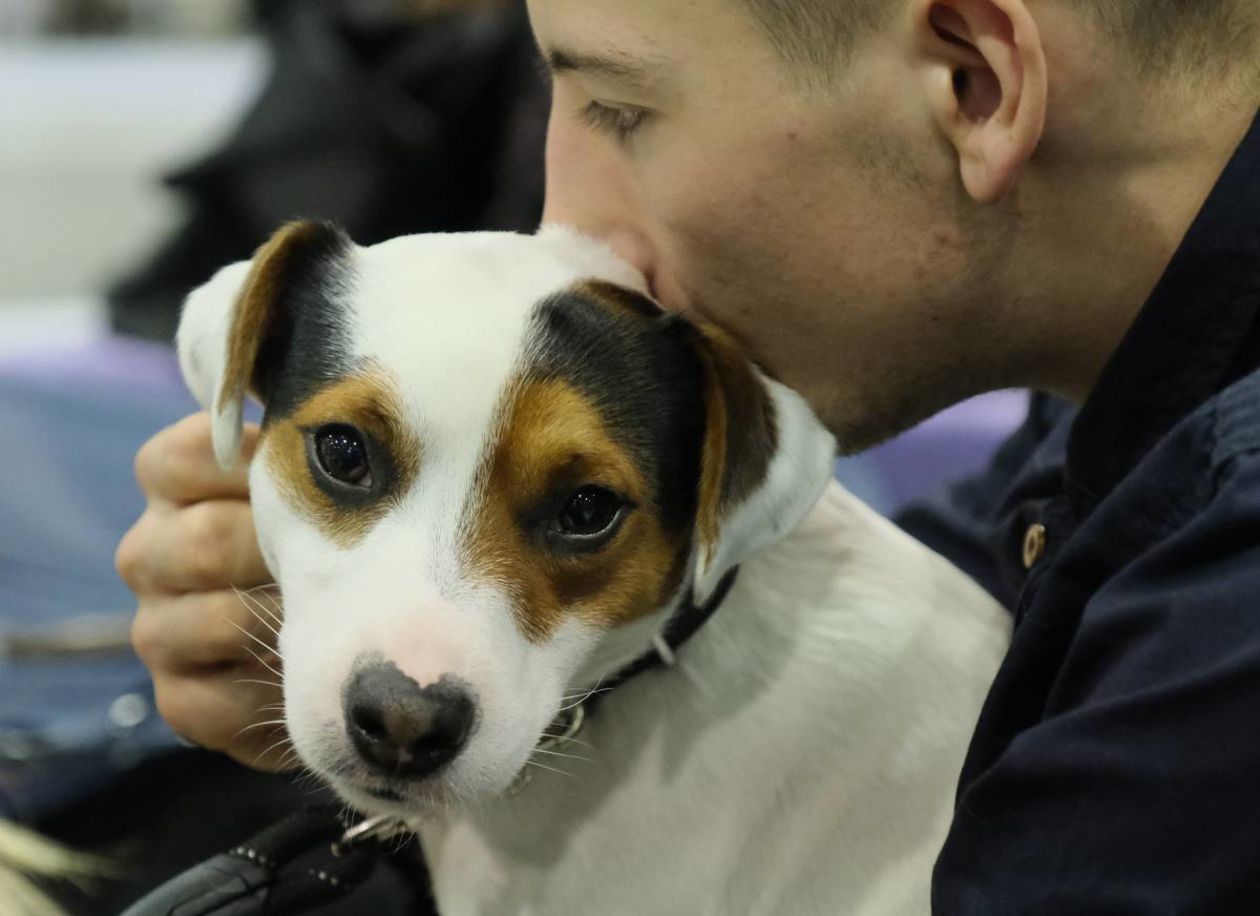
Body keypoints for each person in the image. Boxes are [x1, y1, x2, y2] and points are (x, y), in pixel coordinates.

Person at [116, 0, 1260, 910]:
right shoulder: (1111, 439)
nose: (569, 225)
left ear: (972, 82)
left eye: (616, 107)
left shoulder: (1229, 587)